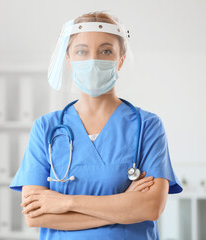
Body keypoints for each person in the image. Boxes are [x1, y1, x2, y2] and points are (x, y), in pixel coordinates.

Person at [9, 10, 182, 239]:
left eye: (106, 50)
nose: (93, 60)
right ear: (68, 59)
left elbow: (150, 208)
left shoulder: (147, 126)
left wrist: (66, 202)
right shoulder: (46, 128)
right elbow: (35, 215)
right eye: (82, 51)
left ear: (120, 60)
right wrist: (125, 208)